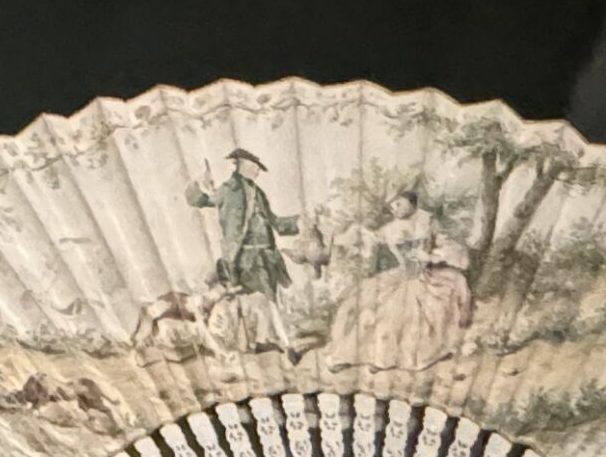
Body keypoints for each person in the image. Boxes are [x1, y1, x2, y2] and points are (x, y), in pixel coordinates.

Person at [325, 189, 476, 370]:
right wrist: (345, 238)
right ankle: (350, 356)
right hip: (400, 276)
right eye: (392, 206)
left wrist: (431, 256)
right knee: (360, 305)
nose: (394, 208)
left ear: (412, 203)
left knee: (419, 310)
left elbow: (446, 246)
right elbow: (367, 240)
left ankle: (401, 357)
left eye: (399, 204)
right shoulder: (389, 229)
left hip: (424, 276)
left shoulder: (428, 222)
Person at [189, 149, 300, 297]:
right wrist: (196, 182)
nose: (257, 170)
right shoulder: (228, 190)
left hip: (268, 257)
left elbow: (274, 222)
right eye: (254, 166)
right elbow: (201, 201)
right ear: (242, 164)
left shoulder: (257, 193)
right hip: (245, 259)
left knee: (281, 296)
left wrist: (300, 222)